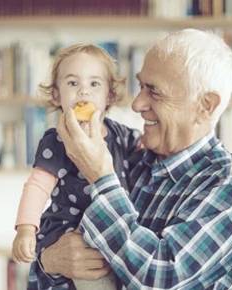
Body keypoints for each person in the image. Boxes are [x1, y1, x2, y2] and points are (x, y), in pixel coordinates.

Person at [31, 29, 232, 289]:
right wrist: (49, 260)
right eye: (141, 85)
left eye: (154, 91)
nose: (137, 104)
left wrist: (100, 176)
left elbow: (160, 279)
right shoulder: (128, 159)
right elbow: (46, 250)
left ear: (205, 106)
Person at [12, 43, 143, 289]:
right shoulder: (56, 139)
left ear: (109, 97)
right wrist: (26, 230)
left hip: (111, 228)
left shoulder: (120, 134)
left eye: (94, 84)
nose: (84, 91)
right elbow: (38, 186)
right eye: (73, 83)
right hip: (70, 231)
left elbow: (145, 150)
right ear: (56, 95)